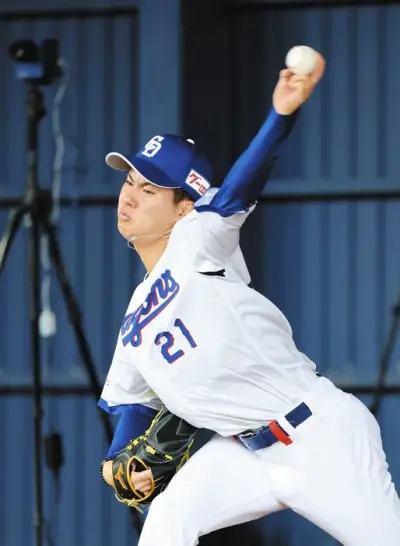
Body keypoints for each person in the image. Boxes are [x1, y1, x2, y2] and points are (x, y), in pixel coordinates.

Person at [99, 51, 400, 545]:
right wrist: (120, 462)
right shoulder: (135, 314)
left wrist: (281, 117)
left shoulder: (198, 241)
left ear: (184, 208)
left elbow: (236, 192)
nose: (128, 197)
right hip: (245, 454)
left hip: (320, 437)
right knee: (167, 523)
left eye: (149, 190)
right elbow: (133, 402)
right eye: (129, 182)